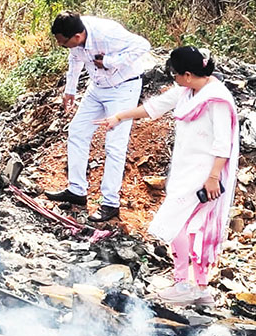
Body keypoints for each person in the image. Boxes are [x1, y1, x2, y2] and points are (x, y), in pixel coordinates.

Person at [96, 46, 239, 305]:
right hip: (186, 168)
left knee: (179, 225)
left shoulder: (216, 98)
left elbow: (223, 142)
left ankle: (184, 284)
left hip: (204, 172)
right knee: (190, 227)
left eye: (175, 73)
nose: (173, 77)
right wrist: (119, 116)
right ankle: (200, 289)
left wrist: (213, 177)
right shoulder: (188, 90)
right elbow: (154, 108)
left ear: (186, 74)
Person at [44, 11, 152, 222]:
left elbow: (143, 45)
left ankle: (110, 203)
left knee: (114, 145)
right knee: (77, 131)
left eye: (63, 43)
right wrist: (70, 90)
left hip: (123, 87)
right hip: (97, 88)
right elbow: (74, 61)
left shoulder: (107, 33)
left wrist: (111, 61)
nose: (63, 46)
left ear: (77, 37)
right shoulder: (75, 43)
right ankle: (77, 191)